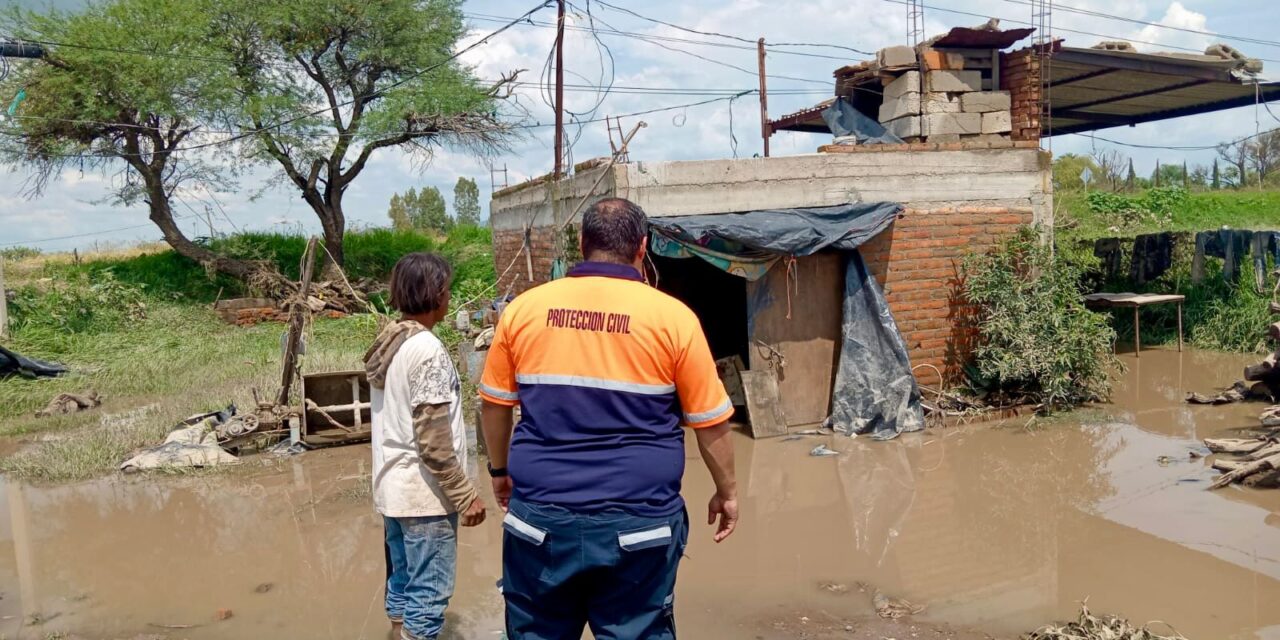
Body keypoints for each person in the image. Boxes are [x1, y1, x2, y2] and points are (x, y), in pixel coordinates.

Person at [479, 197, 739, 639]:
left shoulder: (523, 311)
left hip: (540, 520)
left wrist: (499, 472)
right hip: (640, 525)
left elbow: (495, 405)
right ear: (643, 248)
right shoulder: (674, 319)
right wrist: (727, 491)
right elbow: (710, 423)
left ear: (581, 244)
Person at [364, 252, 487, 640]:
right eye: (447, 289)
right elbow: (433, 442)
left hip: (392, 490)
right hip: (424, 499)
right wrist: (466, 495)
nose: (450, 297)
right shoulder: (428, 351)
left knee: (402, 583)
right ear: (435, 295)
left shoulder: (391, 341)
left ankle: (398, 632)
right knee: (428, 596)